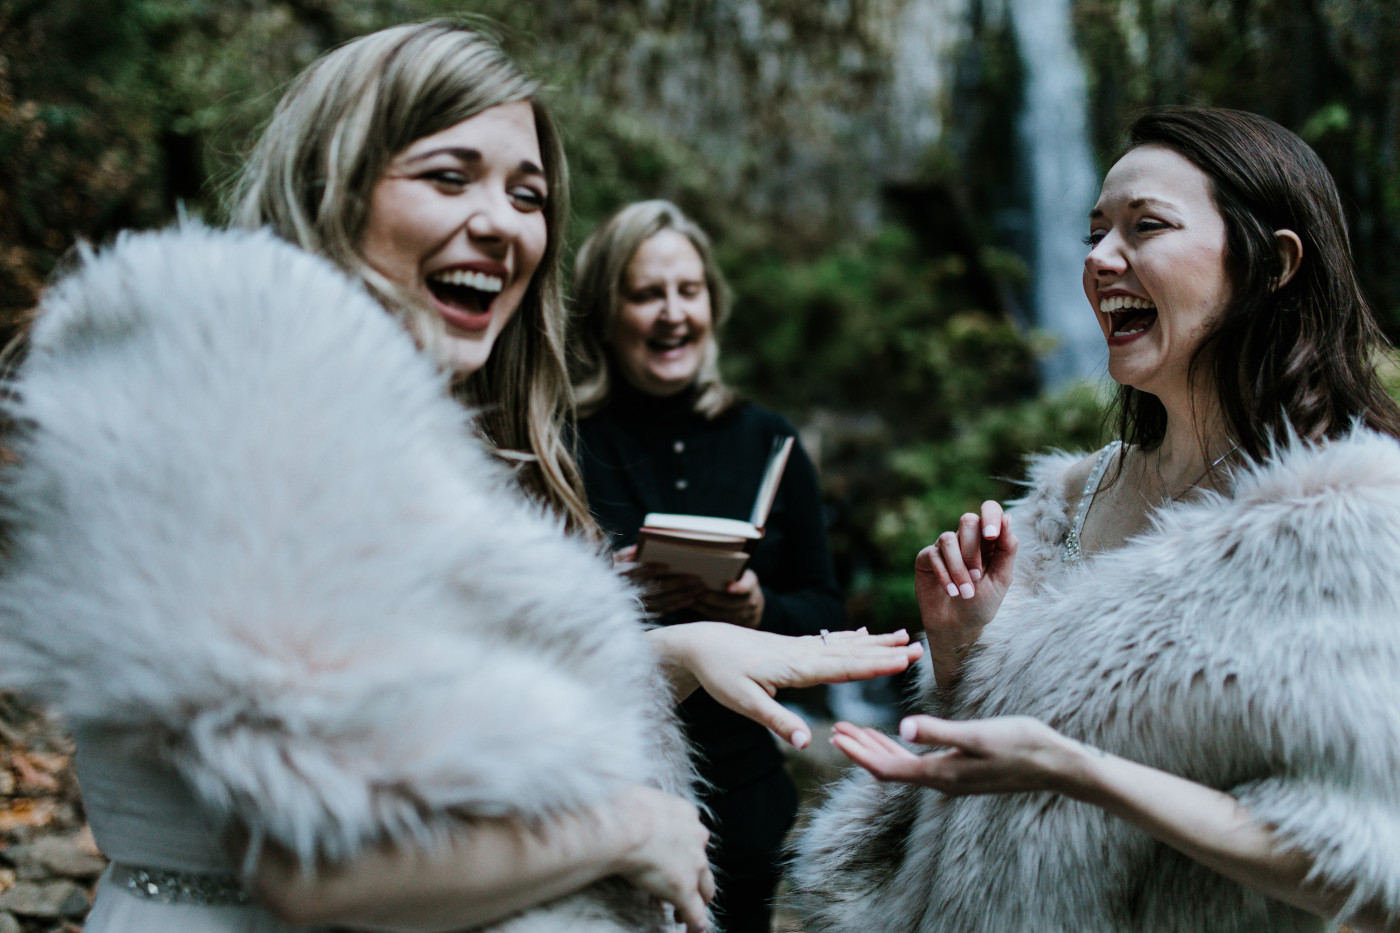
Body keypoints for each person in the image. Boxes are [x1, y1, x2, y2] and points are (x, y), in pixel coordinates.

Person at [0, 22, 923, 933]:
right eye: (449, 176)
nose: (502, 223)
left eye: (529, 195)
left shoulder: (376, 433)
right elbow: (315, 863)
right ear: (334, 182)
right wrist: (632, 825)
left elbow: (390, 720)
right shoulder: (256, 414)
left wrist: (672, 655)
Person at [790, 107, 1400, 932]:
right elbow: (985, 782)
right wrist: (967, 647)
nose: (1099, 260)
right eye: (1093, 231)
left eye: (1145, 227)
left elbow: (1363, 867)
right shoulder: (1065, 501)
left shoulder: (1349, 527)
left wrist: (1083, 771)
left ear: (1274, 264)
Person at [571, 200, 847, 933]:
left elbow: (824, 611)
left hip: (744, 797)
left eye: (688, 291)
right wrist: (606, 590)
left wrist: (758, 612)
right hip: (599, 788)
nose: (672, 313)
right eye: (646, 293)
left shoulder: (770, 440)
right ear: (605, 311)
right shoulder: (559, 439)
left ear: (712, 307)